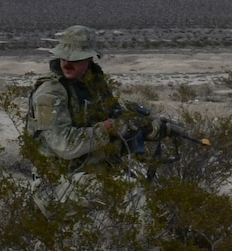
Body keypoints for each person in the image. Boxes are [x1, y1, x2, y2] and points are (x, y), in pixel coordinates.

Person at [24, 25, 146, 170]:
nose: (67, 63)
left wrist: (144, 126)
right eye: (64, 57)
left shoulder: (95, 85)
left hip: (92, 167)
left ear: (89, 59)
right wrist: (106, 129)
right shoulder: (50, 92)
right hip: (58, 177)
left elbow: (114, 114)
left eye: (75, 59)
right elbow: (64, 145)